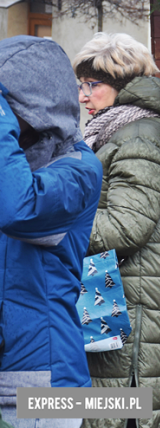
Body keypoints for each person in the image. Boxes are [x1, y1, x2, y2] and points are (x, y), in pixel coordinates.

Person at [74, 33, 160, 428]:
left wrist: (57, 224)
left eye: (93, 85)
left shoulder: (140, 136)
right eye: (81, 85)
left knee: (127, 412)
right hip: (122, 294)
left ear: (124, 86)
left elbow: (126, 227)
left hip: (139, 304)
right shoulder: (123, 129)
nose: (82, 96)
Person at [0, 36, 102, 428]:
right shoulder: (15, 162)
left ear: (35, 103)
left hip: (45, 381)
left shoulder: (78, 169)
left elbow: (17, 210)